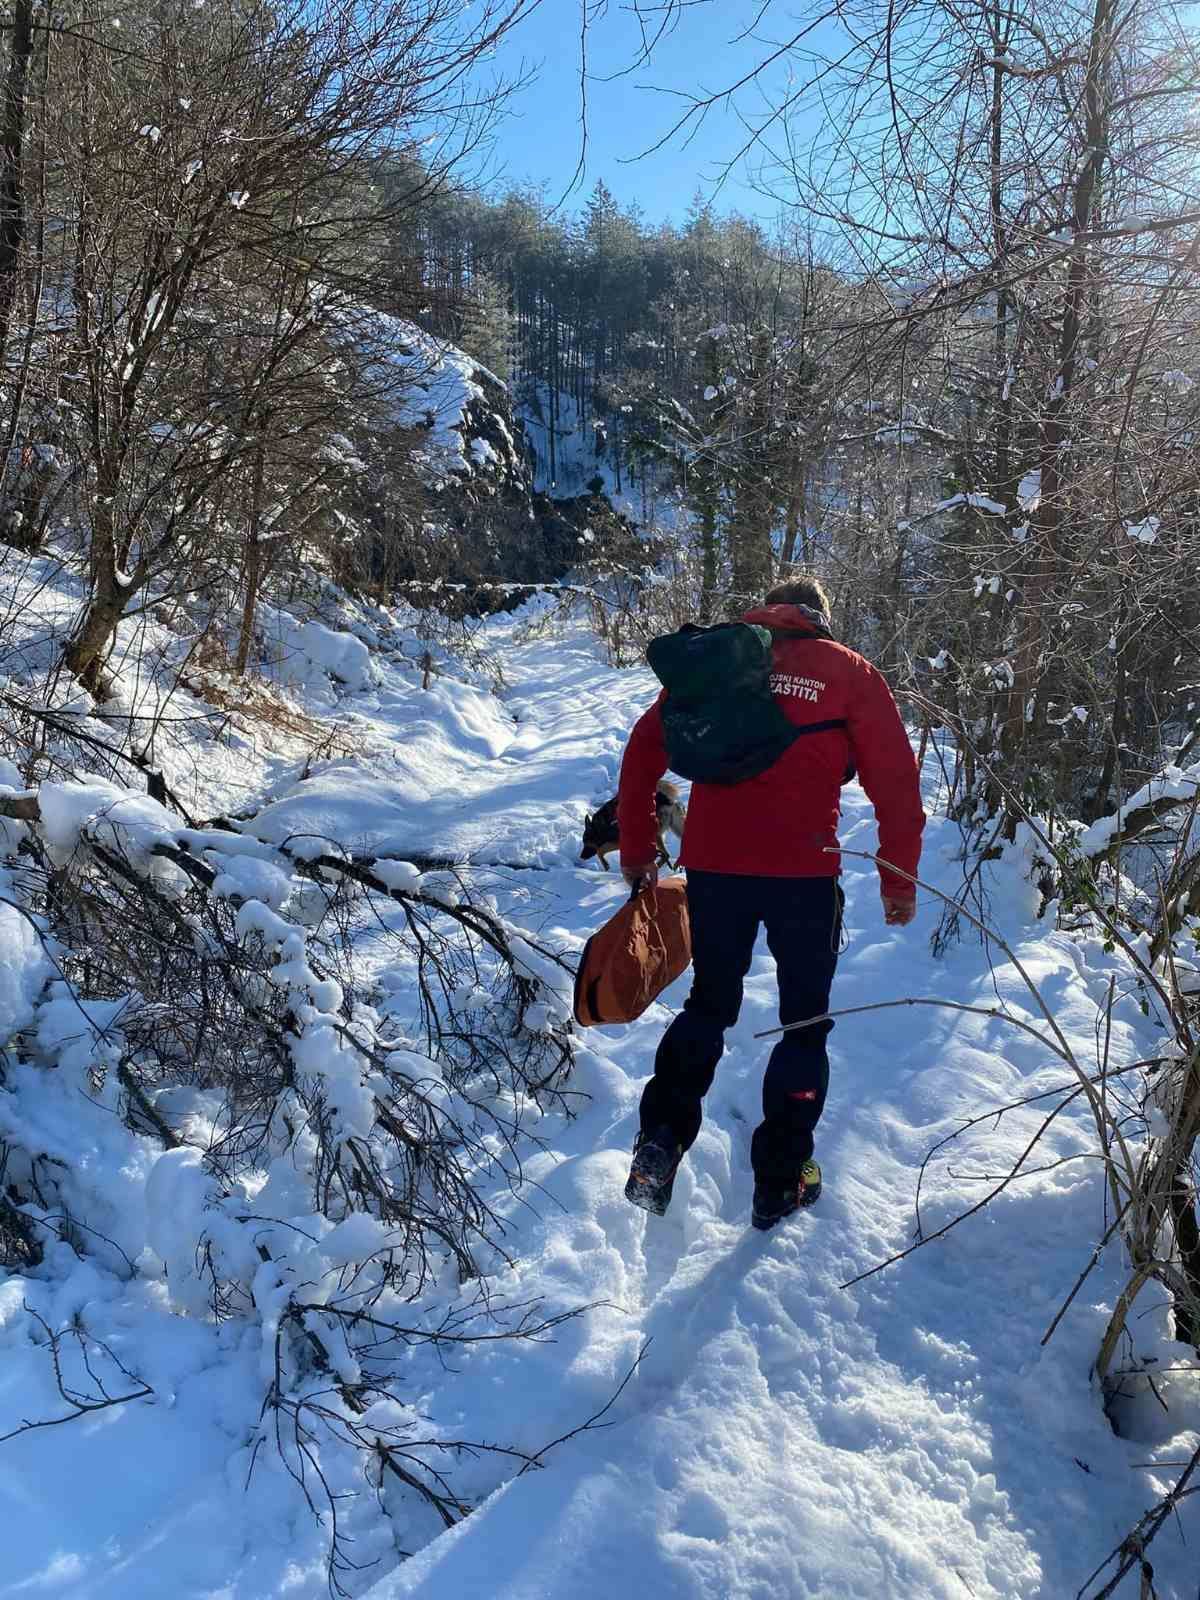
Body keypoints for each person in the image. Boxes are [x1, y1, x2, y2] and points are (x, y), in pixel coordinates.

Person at [616, 576, 925, 1229]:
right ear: (821, 618)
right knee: (803, 1025)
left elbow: (644, 753)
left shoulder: (725, 661)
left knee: (709, 1003)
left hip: (715, 868)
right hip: (803, 877)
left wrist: (640, 848)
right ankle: (780, 1181)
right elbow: (896, 785)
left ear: (770, 610)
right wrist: (898, 879)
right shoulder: (849, 673)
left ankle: (661, 1139)